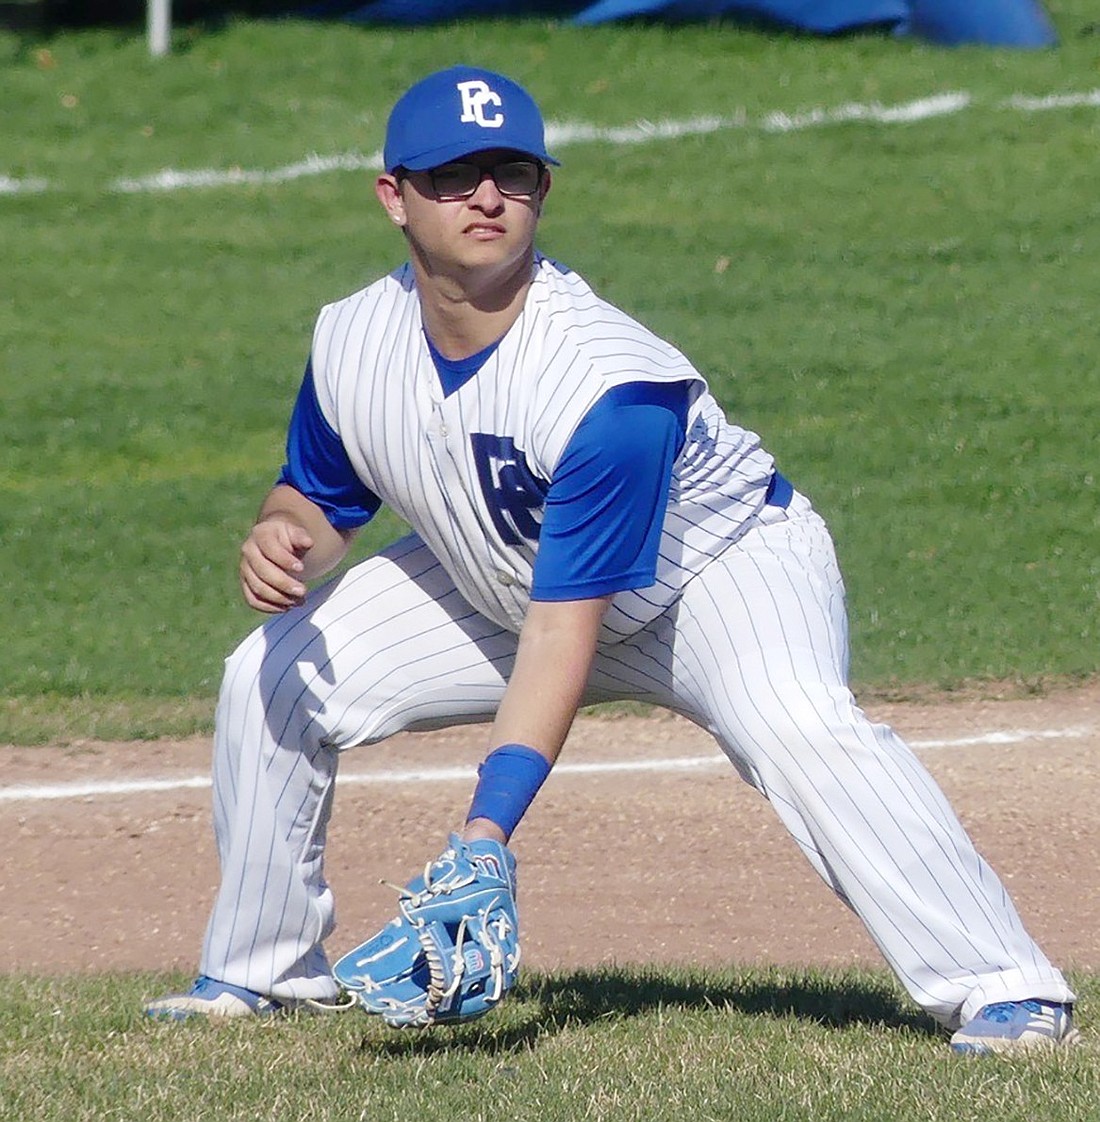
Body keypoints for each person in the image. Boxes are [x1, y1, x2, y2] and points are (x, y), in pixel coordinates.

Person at [145, 64, 1078, 1054]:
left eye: (511, 172)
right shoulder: (351, 339)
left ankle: (1007, 990)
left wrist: (485, 833)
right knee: (269, 676)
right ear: (394, 196)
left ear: (542, 190)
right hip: (507, 577)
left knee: (797, 726)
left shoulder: (607, 385)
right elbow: (323, 494)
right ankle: (262, 971)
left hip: (714, 576)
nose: (488, 197)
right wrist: (284, 531)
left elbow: (560, 633)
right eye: (454, 175)